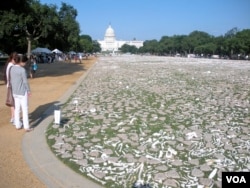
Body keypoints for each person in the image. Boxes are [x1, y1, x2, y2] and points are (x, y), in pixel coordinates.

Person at [10, 55, 33, 132]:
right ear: (21, 62)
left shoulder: (12, 68)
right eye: (25, 62)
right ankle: (26, 127)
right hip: (22, 92)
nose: (25, 64)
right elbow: (25, 82)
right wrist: (29, 91)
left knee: (17, 109)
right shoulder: (22, 70)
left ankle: (18, 125)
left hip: (15, 92)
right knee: (25, 109)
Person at [4, 52, 18, 124]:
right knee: (14, 103)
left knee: (12, 103)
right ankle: (15, 118)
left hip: (9, 86)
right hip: (12, 87)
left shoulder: (9, 65)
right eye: (16, 60)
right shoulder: (12, 66)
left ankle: (13, 117)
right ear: (13, 59)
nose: (16, 61)